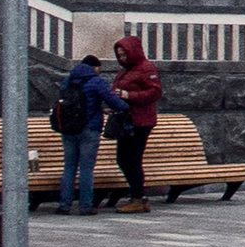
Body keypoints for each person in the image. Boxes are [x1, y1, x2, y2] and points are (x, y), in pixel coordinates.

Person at [52, 51, 115, 216]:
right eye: (98, 68)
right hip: (89, 129)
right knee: (86, 168)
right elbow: (114, 101)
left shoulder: (68, 81)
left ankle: (64, 205)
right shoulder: (96, 82)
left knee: (69, 167)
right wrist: (126, 107)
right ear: (94, 67)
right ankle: (86, 206)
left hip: (69, 129)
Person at [108, 32, 163, 214]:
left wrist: (128, 96)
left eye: (124, 54)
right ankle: (137, 195)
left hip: (140, 121)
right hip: (127, 119)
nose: (122, 58)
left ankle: (138, 197)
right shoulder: (126, 70)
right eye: (119, 55)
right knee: (124, 159)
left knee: (130, 159)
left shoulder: (147, 68)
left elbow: (154, 93)